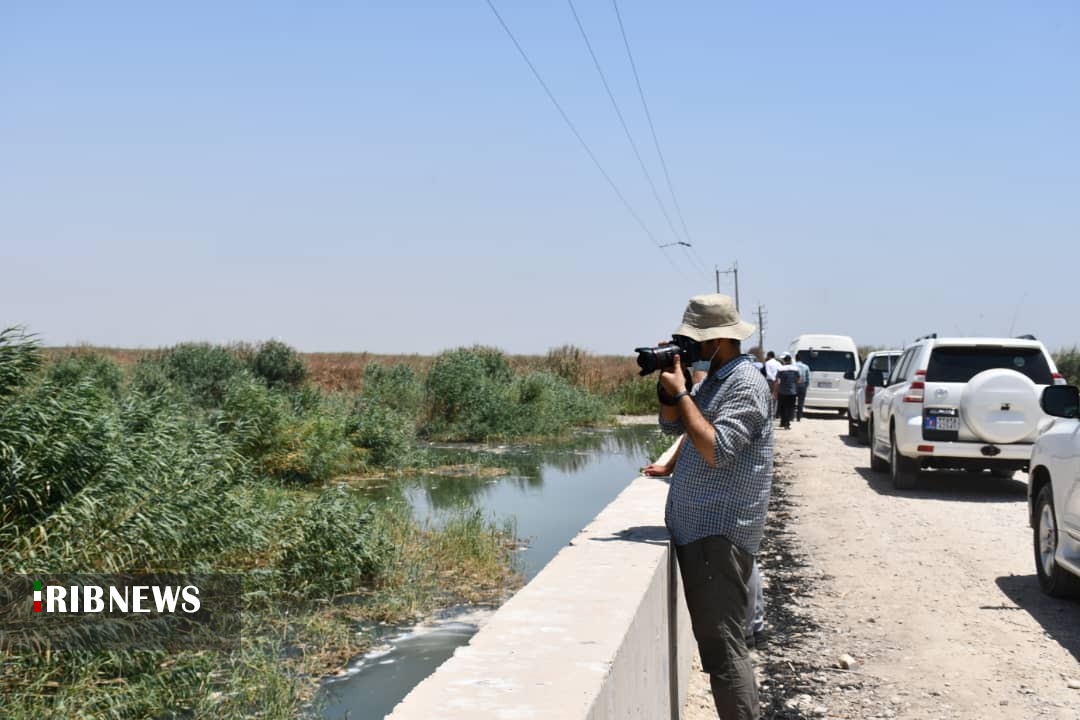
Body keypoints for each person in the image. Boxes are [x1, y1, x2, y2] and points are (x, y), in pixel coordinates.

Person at [654, 293, 774, 720]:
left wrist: (684, 393)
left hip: (717, 535)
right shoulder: (718, 380)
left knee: (723, 651)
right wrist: (672, 392)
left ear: (718, 342)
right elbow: (673, 424)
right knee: (722, 647)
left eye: (693, 341)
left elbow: (717, 451)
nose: (688, 347)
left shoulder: (745, 383)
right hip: (702, 533)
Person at [643, 435, 766, 648]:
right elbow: (691, 433)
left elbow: (703, 435)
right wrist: (670, 466)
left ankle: (746, 633)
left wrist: (671, 466)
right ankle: (752, 629)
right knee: (743, 557)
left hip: (722, 494)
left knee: (736, 557)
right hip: (731, 492)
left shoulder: (732, 403)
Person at [775, 353, 800, 429]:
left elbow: (778, 380)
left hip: (782, 392)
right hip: (792, 392)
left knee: (782, 407)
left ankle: (783, 422)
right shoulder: (795, 369)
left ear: (784, 361)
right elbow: (798, 380)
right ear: (790, 361)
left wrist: (775, 390)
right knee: (790, 408)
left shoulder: (780, 369)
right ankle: (787, 423)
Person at [794, 353, 811, 421]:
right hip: (802, 385)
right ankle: (799, 417)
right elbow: (808, 378)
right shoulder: (806, 366)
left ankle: (792, 416)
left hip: (794, 385)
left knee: (792, 401)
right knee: (801, 402)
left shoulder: (793, 366)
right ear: (801, 359)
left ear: (795, 358)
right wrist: (806, 385)